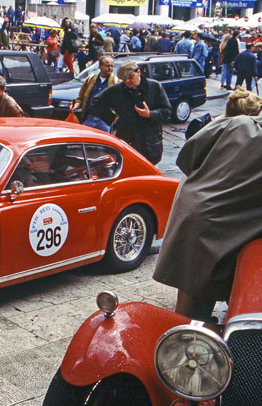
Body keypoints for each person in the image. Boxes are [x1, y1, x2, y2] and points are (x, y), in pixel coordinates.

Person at [153, 88, 262, 321]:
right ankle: (190, 330)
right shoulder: (247, 126)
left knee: (193, 279)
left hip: (193, 203)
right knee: (199, 281)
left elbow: (187, 158)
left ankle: (192, 324)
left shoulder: (226, 124)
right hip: (213, 215)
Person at [92, 59, 171, 165]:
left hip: (149, 144)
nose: (127, 81)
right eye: (124, 79)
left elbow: (167, 111)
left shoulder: (154, 87)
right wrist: (113, 118)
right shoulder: (117, 89)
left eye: (130, 77)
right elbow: (96, 102)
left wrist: (150, 114)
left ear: (138, 72)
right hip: (127, 142)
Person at [71, 56, 118, 133]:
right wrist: (76, 105)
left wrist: (114, 116)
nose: (110, 68)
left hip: (105, 122)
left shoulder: (116, 82)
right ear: (100, 66)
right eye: (107, 66)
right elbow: (80, 98)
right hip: (89, 119)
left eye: (112, 66)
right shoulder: (90, 79)